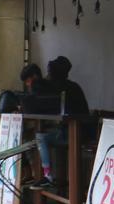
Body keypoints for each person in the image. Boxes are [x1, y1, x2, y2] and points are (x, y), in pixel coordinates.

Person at [32, 56, 90, 189]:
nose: (48, 75)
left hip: (74, 134)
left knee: (41, 138)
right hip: (80, 131)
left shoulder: (60, 87)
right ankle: (58, 183)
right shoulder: (72, 87)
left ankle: (48, 176)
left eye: (50, 72)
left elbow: (39, 91)